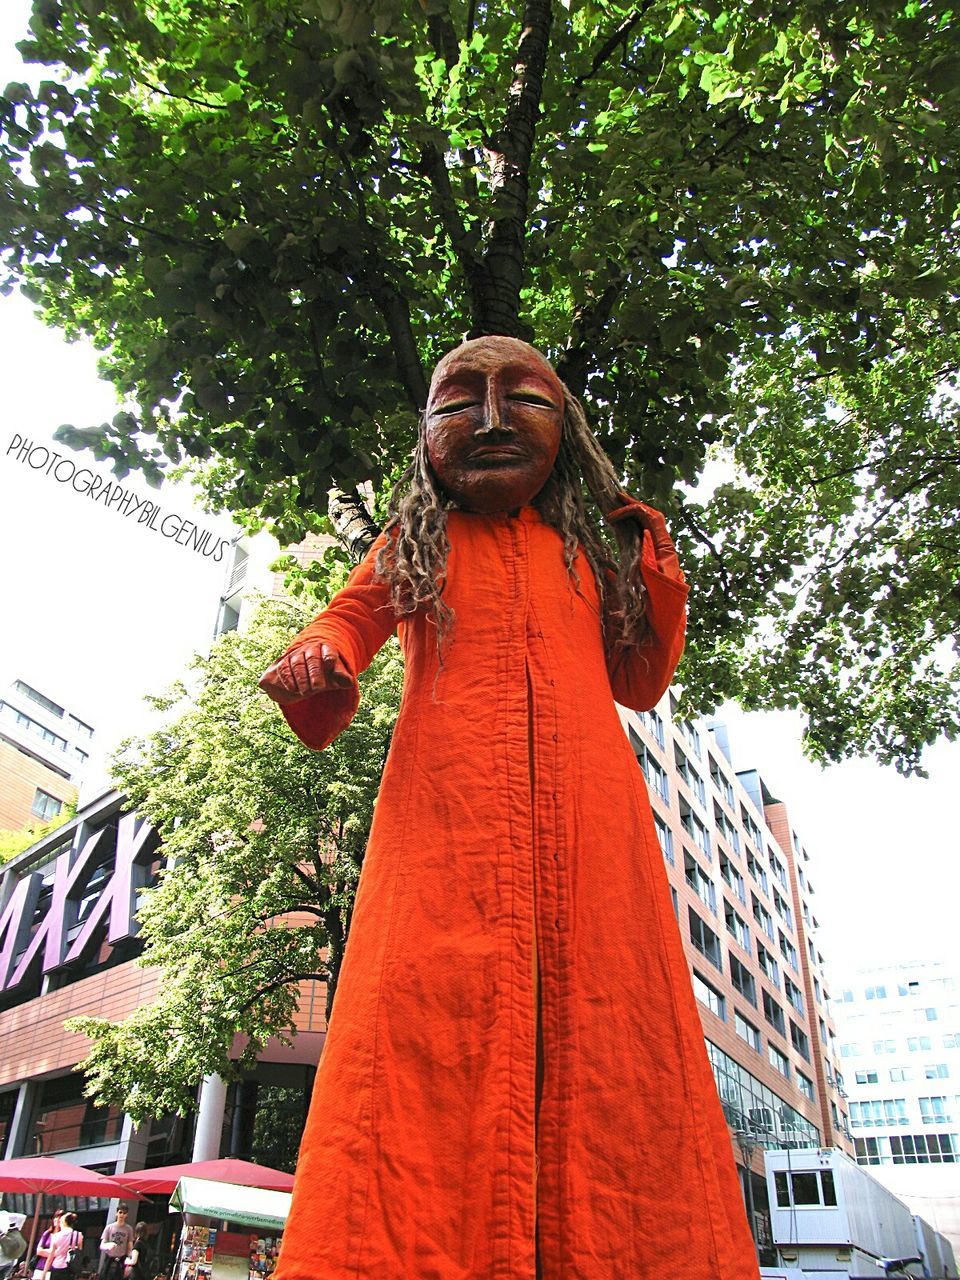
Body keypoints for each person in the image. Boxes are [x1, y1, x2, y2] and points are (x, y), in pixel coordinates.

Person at [260, 336, 760, 1279]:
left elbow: (641, 678)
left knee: (615, 1039)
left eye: (522, 398)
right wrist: (317, 657)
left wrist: (646, 547)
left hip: (595, 832)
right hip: (441, 825)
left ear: (564, 429)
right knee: (419, 1046)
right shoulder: (417, 543)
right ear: (424, 439)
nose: (489, 421)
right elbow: (349, 617)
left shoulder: (586, 551)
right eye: (458, 403)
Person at [97, 1209, 132, 1280]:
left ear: (126, 1215)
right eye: (120, 1212)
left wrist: (129, 1259)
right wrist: (108, 1245)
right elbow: (101, 1245)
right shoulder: (109, 1227)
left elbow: (130, 1245)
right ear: (117, 1213)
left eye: (124, 1213)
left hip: (122, 1259)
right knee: (104, 1276)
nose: (122, 1215)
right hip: (109, 1258)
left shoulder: (128, 1229)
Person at [31, 1213, 60, 1280]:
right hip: (40, 1267)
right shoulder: (47, 1233)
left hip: (54, 1270)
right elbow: (38, 1251)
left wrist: (46, 1252)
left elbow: (59, 1253)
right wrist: (52, 1253)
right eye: (55, 1217)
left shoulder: (64, 1236)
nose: (56, 1219)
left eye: (59, 1218)